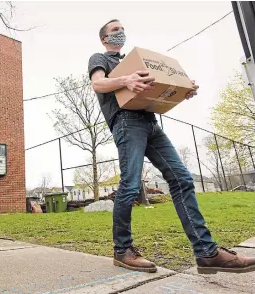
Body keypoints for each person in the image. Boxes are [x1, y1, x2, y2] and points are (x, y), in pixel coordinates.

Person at [88, 19, 255, 274]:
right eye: (115, 30)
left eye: (123, 28)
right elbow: (98, 84)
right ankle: (122, 250)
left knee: (182, 179)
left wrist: (180, 90)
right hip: (126, 122)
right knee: (131, 184)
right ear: (104, 38)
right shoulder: (100, 58)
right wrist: (125, 80)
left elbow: (158, 88)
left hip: (150, 122)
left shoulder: (135, 63)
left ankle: (206, 252)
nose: (121, 32)